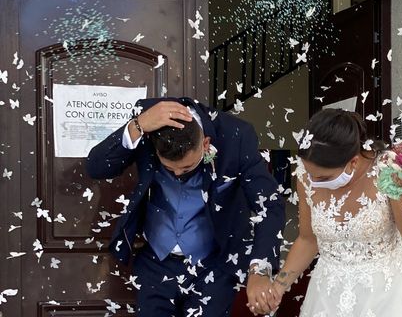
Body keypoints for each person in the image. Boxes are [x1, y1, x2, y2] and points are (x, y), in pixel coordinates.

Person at [86, 97, 285, 317]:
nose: (179, 174)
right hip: (155, 265)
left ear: (206, 143)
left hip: (214, 265)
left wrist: (260, 269)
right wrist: (137, 125)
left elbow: (270, 204)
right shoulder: (148, 125)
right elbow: (96, 168)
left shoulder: (236, 135)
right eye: (170, 169)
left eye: (187, 166)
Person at [255, 108, 402, 316]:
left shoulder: (388, 170)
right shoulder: (308, 173)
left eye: (323, 178)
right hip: (328, 297)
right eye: (310, 175)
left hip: (387, 297)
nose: (313, 182)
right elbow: (308, 240)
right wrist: (278, 287)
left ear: (353, 162)